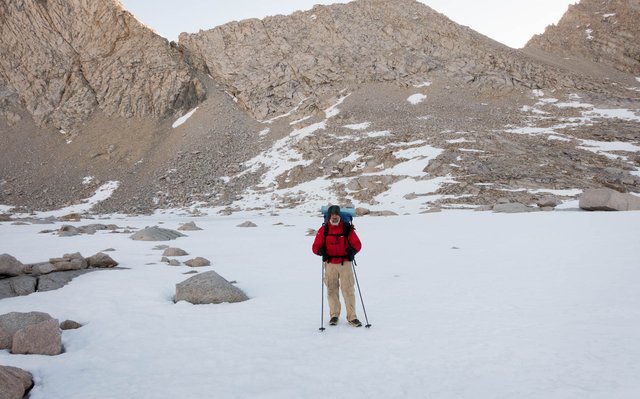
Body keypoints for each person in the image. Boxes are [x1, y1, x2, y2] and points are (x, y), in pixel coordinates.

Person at [312, 205, 363, 327]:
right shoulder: (323, 230)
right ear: (329, 216)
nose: (334, 217)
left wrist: (353, 251)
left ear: (339, 215)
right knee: (331, 290)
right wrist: (320, 251)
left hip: (345, 263)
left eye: (336, 214)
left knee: (348, 290)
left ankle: (352, 317)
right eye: (332, 215)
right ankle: (334, 315)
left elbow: (357, 244)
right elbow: (315, 247)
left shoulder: (347, 229)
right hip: (330, 264)